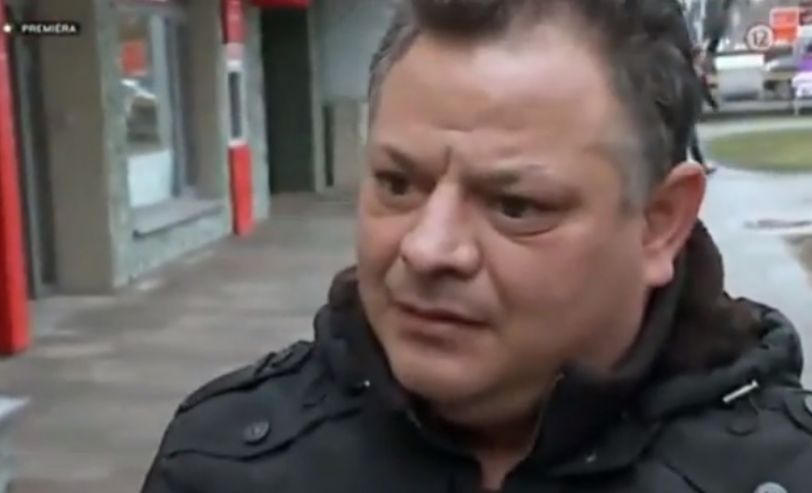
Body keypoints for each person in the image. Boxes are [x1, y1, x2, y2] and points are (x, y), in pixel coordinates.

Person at [142, 1, 812, 491]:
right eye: (397, 183)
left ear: (659, 223)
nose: (427, 249)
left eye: (515, 206)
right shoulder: (219, 463)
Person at [689, 46, 718, 174]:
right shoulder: (688, 72)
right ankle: (701, 166)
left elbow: (705, 91)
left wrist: (712, 103)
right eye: (701, 56)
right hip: (687, 109)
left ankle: (700, 165)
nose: (702, 59)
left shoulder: (699, 73)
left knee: (691, 139)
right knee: (691, 140)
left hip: (694, 108)